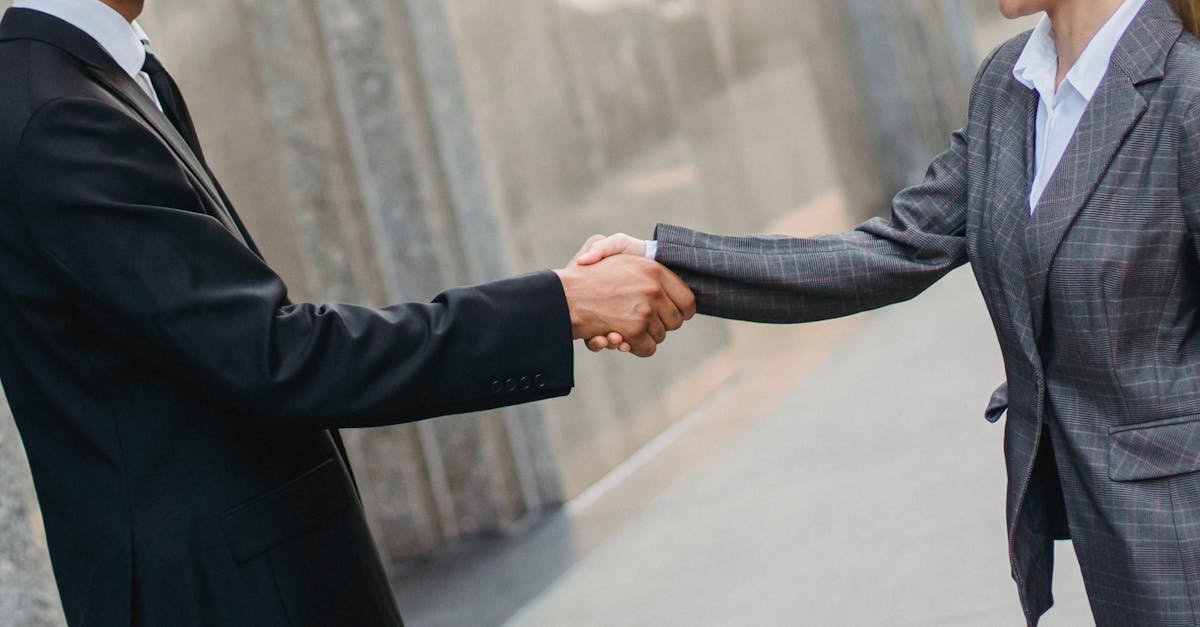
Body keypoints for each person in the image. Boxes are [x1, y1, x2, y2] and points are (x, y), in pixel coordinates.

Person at [0, 0, 695, 625]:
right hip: (223, 596)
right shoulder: (59, 113)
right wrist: (556, 306)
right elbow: (277, 356)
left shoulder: (97, 76)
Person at [581, 0, 1200, 624]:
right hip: (1113, 531)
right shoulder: (1011, 84)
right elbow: (892, 249)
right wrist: (666, 262)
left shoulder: (1187, 86)